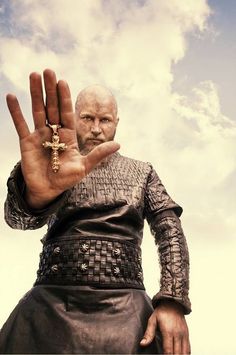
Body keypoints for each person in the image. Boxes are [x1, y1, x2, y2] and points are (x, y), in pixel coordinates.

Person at [0, 69, 191, 354]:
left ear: (117, 123)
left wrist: (172, 301)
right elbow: (17, 220)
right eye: (88, 118)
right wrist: (33, 196)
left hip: (127, 309)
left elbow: (170, 232)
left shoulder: (143, 171)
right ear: (74, 117)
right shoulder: (53, 166)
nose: (97, 128)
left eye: (105, 120)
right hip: (49, 305)